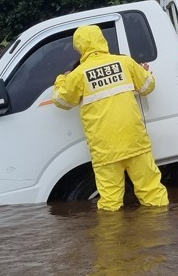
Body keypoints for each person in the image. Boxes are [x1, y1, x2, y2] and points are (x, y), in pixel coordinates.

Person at [49, 25, 169, 211]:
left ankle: (111, 238)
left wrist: (61, 80)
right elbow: (147, 87)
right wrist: (146, 72)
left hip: (105, 148)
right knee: (152, 191)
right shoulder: (125, 63)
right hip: (135, 141)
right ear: (102, 40)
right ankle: (163, 233)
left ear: (80, 47)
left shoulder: (78, 74)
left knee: (110, 202)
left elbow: (62, 101)